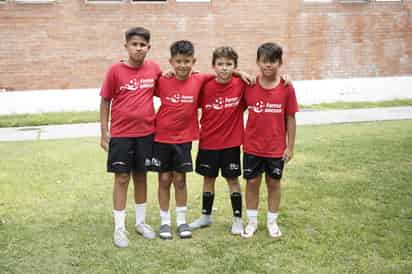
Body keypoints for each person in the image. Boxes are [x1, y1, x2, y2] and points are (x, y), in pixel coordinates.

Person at [100, 27, 160, 248]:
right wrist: (104, 132)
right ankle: (119, 228)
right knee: (122, 178)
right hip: (122, 135)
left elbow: (169, 87)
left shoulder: (154, 69)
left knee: (141, 176)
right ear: (126, 46)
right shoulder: (115, 71)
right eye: (134, 44)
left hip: (146, 134)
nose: (138, 48)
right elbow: (105, 100)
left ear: (148, 48)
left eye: (142, 45)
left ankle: (141, 223)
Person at [241, 42, 298, 239]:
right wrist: (239, 73)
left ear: (279, 62)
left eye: (273, 61)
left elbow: (291, 118)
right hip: (252, 147)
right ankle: (252, 222)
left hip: (275, 148)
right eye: (264, 61)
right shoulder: (249, 85)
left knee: (274, 183)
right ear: (258, 62)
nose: (268, 65)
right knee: (252, 182)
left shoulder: (286, 88)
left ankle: (272, 223)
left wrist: (289, 147)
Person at [189, 46, 245, 235]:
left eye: (229, 64)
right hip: (208, 142)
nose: (224, 68)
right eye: (220, 64)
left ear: (235, 66)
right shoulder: (205, 85)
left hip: (231, 143)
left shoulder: (242, 84)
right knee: (208, 179)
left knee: (233, 180)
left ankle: (237, 219)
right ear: (213, 66)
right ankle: (205, 216)